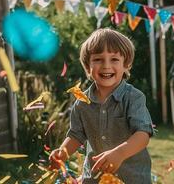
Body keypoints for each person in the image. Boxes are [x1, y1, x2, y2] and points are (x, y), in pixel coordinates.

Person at [49, 28, 154, 183]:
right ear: (87, 66)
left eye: (114, 60)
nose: (106, 65)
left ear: (126, 65)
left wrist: (120, 153)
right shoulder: (82, 103)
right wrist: (62, 153)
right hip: (94, 178)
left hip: (131, 178)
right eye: (98, 59)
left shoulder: (134, 97)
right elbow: (76, 136)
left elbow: (143, 135)